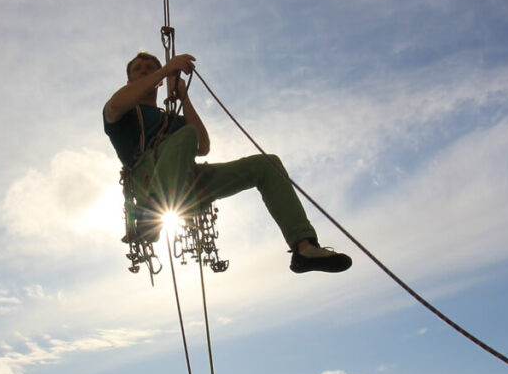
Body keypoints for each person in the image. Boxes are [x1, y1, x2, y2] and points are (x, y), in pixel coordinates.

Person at [103, 51, 352, 274]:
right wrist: (166, 69)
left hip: (188, 182)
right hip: (148, 178)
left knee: (266, 165)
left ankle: (304, 247)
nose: (145, 69)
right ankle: (150, 215)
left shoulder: (169, 118)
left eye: (150, 67)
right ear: (129, 80)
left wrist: (184, 98)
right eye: (139, 68)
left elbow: (202, 146)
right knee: (185, 135)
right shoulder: (122, 110)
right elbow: (115, 107)